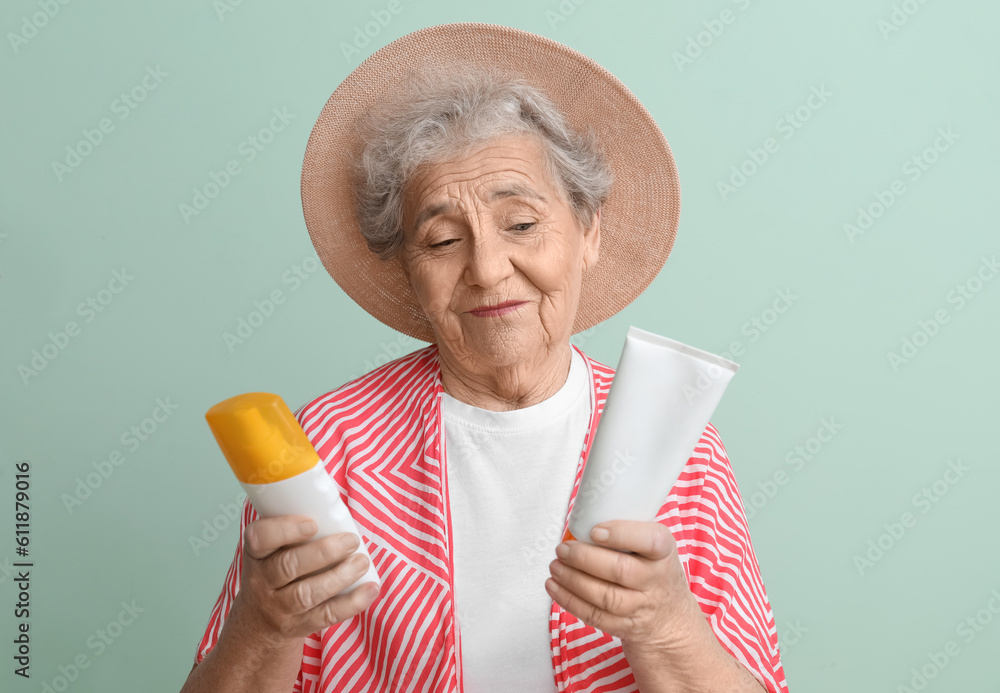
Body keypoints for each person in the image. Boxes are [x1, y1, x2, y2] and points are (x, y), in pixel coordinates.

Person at [180, 23, 788, 693]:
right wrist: (264, 625)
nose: (489, 269)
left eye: (521, 223)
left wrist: (667, 625)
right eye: (442, 239)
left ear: (587, 232)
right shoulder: (328, 444)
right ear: (408, 273)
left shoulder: (682, 450)